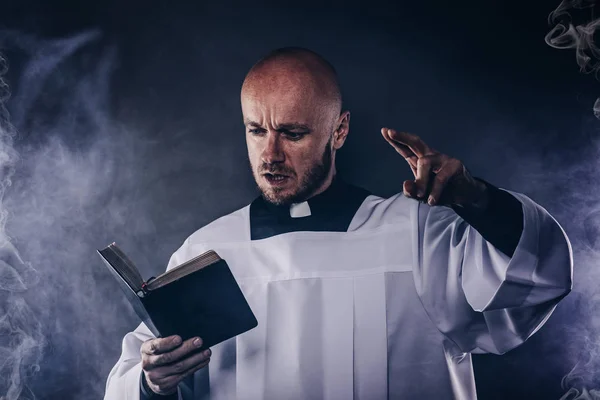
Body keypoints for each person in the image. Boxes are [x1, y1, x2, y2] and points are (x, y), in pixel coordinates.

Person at [104, 47, 573, 400]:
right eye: (256, 131)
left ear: (339, 131)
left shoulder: (418, 235)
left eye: (293, 133)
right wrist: (153, 381)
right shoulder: (205, 252)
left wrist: (476, 200)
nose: (270, 155)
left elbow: (538, 277)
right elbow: (136, 375)